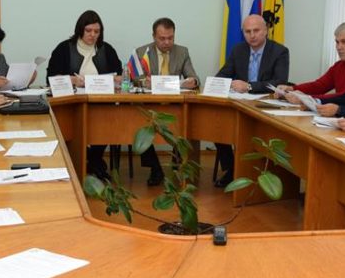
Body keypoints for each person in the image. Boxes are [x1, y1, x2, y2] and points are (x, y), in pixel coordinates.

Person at [213, 14, 290, 187]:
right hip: (240, 103)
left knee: (251, 133)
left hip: (266, 105)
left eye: (256, 30)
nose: (252, 35)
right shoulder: (238, 50)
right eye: (247, 32)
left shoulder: (279, 51)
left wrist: (249, 86)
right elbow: (222, 75)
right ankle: (232, 168)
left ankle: (252, 170)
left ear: (266, 31)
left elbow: (279, 81)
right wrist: (221, 83)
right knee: (217, 126)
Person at [46, 10, 123, 180]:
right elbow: (51, 78)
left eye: (96, 31)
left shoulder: (106, 49)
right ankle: (93, 162)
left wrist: (115, 79)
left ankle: (92, 160)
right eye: (88, 30)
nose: (92, 35)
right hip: (72, 104)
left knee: (109, 121)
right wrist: (73, 80)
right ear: (80, 29)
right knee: (71, 126)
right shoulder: (64, 48)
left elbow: (119, 75)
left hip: (101, 102)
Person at [133, 17, 199, 185]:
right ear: (154, 36)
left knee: (185, 120)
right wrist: (143, 82)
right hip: (149, 106)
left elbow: (194, 77)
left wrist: (193, 81)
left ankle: (178, 165)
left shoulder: (182, 52)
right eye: (162, 38)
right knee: (139, 123)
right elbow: (133, 79)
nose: (167, 42)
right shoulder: (142, 52)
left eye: (170, 38)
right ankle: (155, 169)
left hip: (174, 105)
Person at [276, 21, 345, 99]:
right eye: (337, 42)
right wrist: (291, 88)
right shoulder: (338, 66)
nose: (339, 47)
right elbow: (319, 86)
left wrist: (305, 98)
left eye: (344, 42)